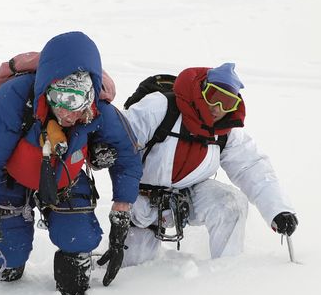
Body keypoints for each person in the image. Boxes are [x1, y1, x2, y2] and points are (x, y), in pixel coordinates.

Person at [0, 31, 141, 295]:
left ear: (90, 95)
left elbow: (128, 159)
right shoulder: (15, 98)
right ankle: (7, 255)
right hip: (12, 177)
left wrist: (120, 222)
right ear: (46, 88)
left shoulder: (101, 111)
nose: (67, 111)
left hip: (64, 178)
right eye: (59, 97)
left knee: (78, 257)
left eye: (76, 100)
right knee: (8, 261)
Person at [120, 63, 298, 266]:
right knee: (133, 270)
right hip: (142, 199)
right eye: (214, 96)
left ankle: (225, 274)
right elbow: (118, 143)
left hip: (188, 196)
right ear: (202, 90)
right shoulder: (159, 107)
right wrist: (122, 199)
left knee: (231, 204)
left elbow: (250, 167)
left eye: (227, 103)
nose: (218, 108)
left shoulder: (225, 131)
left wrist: (278, 210)